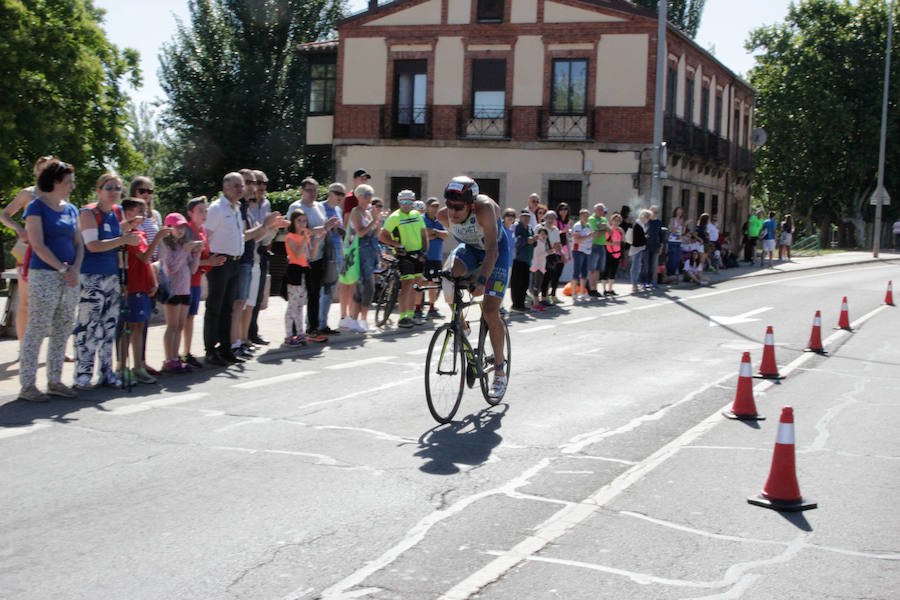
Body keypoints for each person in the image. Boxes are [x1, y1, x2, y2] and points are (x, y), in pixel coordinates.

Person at [436, 175, 510, 398]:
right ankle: (462, 327)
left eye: (458, 207)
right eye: (449, 205)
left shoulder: (485, 209)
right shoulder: (442, 216)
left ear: (471, 205)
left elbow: (492, 251)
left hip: (496, 252)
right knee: (447, 281)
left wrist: (481, 280)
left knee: (489, 311)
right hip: (470, 250)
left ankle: (499, 371)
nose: (452, 212)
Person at [203, 172, 283, 366]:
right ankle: (211, 350)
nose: (241, 189)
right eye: (237, 186)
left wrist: (266, 226)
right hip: (220, 262)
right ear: (225, 188)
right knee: (215, 307)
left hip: (234, 261)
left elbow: (241, 237)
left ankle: (225, 348)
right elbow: (206, 234)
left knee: (228, 308)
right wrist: (207, 258)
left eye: (242, 186)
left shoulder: (237, 209)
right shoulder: (217, 208)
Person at [19, 160, 82, 402]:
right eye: (68, 182)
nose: (72, 186)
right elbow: (37, 244)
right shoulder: (36, 207)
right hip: (45, 274)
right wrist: (61, 268)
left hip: (69, 277)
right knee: (37, 328)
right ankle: (27, 385)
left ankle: (55, 380)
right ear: (55, 182)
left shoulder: (71, 209)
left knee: (63, 327)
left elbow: (79, 243)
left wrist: (74, 268)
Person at [73, 174, 142, 390]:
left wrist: (128, 227)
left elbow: (116, 235)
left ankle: (106, 373)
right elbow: (92, 245)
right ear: (99, 189)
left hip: (111, 275)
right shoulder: (89, 212)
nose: (114, 191)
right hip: (91, 276)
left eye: (118, 188)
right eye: (109, 187)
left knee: (109, 327)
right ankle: (82, 376)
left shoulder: (116, 212)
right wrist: (123, 239)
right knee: (87, 327)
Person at [0, 155, 55, 343]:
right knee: (25, 301)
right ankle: (24, 347)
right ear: (36, 171)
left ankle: (57, 347)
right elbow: (4, 214)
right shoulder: (27, 194)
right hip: (28, 250)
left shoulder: (58, 193)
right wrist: (19, 229)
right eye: (43, 169)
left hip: (53, 251)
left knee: (54, 302)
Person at [117, 197, 169, 385]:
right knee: (128, 329)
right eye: (140, 210)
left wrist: (153, 281)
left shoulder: (139, 233)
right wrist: (158, 238)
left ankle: (138, 366)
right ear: (128, 213)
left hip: (142, 285)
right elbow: (145, 256)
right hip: (132, 286)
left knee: (138, 327)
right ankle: (122, 367)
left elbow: (146, 261)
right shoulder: (129, 235)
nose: (144, 214)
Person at [287, 177, 340, 336]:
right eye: (309, 190)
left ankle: (313, 328)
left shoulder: (319, 207)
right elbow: (300, 229)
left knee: (315, 294)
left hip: (318, 256)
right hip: (300, 258)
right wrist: (324, 227)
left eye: (315, 190)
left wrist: (329, 228)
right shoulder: (296, 207)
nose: (312, 193)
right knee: (298, 298)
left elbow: (323, 230)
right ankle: (294, 331)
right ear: (302, 191)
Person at [183, 197, 226, 368]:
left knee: (190, 317)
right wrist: (208, 263)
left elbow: (203, 258)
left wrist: (211, 261)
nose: (204, 213)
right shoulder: (187, 231)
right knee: (182, 319)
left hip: (195, 281)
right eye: (200, 210)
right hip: (184, 281)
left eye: (206, 210)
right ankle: (179, 355)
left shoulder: (203, 232)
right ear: (190, 213)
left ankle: (186, 352)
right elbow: (182, 260)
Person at [379, 189, 428, 328]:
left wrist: (425, 252)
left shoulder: (417, 215)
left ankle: (411, 315)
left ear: (413, 203)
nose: (406, 204)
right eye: (403, 202)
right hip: (404, 254)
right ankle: (402, 317)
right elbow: (383, 236)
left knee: (415, 286)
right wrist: (397, 245)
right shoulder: (394, 217)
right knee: (407, 286)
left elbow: (424, 235)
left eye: (409, 202)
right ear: (399, 202)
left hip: (418, 254)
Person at [130, 176, 164, 377]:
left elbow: (159, 246)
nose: (147, 195)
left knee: (144, 319)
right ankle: (126, 364)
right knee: (131, 321)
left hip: (153, 269)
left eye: (150, 191)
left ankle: (141, 361)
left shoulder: (155, 215)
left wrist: (157, 269)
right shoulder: (130, 215)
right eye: (142, 191)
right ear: (134, 192)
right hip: (137, 270)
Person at [160, 213, 201, 373]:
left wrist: (196, 252)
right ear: (168, 228)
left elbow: (192, 269)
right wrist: (184, 251)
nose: (180, 230)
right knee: (172, 326)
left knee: (180, 325)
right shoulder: (166, 246)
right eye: (176, 226)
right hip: (172, 290)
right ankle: (168, 358)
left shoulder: (183, 245)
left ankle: (175, 357)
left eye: (182, 226)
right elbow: (170, 268)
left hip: (185, 289)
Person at [341, 183, 383, 332]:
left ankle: (358, 320)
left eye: (370, 195)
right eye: (366, 195)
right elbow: (360, 233)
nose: (369, 198)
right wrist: (374, 220)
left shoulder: (368, 212)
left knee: (365, 287)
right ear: (359, 197)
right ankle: (359, 320)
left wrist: (378, 221)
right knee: (366, 286)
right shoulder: (356, 212)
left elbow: (376, 234)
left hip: (370, 251)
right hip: (360, 252)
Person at [231, 168, 260, 358]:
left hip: (248, 260)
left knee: (243, 303)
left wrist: (268, 228)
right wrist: (265, 226)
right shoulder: (238, 207)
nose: (251, 186)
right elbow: (241, 236)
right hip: (239, 261)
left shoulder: (246, 207)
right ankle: (233, 343)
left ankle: (240, 340)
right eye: (247, 182)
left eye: (252, 183)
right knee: (237, 304)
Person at [283, 209, 322, 346]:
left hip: (305, 271)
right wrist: (305, 239)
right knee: (292, 306)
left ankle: (300, 333)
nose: (302, 223)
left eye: (304, 220)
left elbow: (311, 255)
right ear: (293, 222)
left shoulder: (305, 236)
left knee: (300, 306)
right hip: (295, 271)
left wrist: (316, 242)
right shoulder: (290, 237)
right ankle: (289, 335)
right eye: (299, 220)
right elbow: (298, 254)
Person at [247, 169, 275, 346]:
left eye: (264, 183)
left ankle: (252, 332)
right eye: (258, 183)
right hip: (247, 253)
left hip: (261, 252)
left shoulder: (266, 204)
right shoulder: (247, 204)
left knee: (257, 296)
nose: (262, 186)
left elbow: (268, 228)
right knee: (245, 298)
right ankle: (243, 335)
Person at [318, 182, 345, 335]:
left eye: (342, 194)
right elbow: (319, 227)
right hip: (323, 254)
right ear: (330, 193)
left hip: (336, 254)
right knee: (321, 290)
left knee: (330, 291)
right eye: (337, 193)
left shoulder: (338, 210)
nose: (340, 196)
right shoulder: (320, 208)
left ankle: (323, 323)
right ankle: (315, 323)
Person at [422, 197, 448, 319]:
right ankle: (417, 309)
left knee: (433, 283)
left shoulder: (440, 221)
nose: (435, 208)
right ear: (427, 207)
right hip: (424, 256)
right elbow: (423, 234)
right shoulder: (421, 219)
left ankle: (431, 308)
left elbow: (445, 235)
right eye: (432, 206)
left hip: (436, 258)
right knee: (421, 282)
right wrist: (436, 234)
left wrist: (434, 233)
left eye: (437, 206)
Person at [510, 208, 536, 311]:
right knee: (517, 283)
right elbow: (514, 241)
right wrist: (526, 240)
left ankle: (521, 304)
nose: (526, 218)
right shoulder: (516, 227)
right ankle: (516, 304)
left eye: (528, 217)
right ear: (520, 217)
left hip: (527, 259)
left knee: (525, 283)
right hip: (517, 259)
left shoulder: (530, 228)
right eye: (524, 216)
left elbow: (534, 243)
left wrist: (534, 240)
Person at [540, 210, 563, 305]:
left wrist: (559, 250)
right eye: (548, 218)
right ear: (545, 218)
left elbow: (557, 243)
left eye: (552, 218)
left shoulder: (556, 230)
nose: (550, 220)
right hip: (540, 255)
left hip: (550, 256)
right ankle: (537, 298)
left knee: (548, 276)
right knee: (538, 278)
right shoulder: (540, 227)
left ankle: (545, 298)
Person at [587, 203, 609, 297]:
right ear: (594, 210)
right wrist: (605, 229)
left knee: (598, 269)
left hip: (602, 245)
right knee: (592, 268)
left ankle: (595, 288)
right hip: (594, 245)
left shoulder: (604, 219)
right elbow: (595, 234)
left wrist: (605, 228)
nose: (600, 212)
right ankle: (591, 288)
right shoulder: (591, 219)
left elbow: (610, 231)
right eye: (598, 210)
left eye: (602, 210)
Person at [570, 208, 592, 301]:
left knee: (584, 272)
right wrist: (589, 236)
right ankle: (574, 292)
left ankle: (582, 292)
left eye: (587, 216)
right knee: (576, 272)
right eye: (584, 216)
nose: (586, 218)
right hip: (578, 251)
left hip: (587, 251)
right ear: (580, 216)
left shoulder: (589, 225)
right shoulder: (577, 226)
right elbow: (577, 240)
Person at [604, 212, 625, 295]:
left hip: (617, 252)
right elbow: (605, 242)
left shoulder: (620, 230)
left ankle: (610, 289)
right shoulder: (609, 230)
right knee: (606, 270)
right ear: (612, 221)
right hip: (609, 252)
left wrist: (623, 233)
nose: (616, 222)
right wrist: (613, 244)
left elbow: (622, 241)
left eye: (618, 221)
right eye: (615, 220)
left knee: (613, 271)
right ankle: (604, 289)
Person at [629, 209, 650, 293]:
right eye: (647, 218)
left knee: (638, 266)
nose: (648, 220)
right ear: (644, 217)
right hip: (636, 248)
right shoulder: (638, 225)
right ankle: (634, 284)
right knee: (636, 266)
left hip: (638, 248)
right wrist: (645, 238)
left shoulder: (639, 225)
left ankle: (635, 283)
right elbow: (637, 239)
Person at [529, 226, 549, 312]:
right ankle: (535, 304)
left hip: (540, 267)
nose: (544, 236)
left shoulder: (542, 243)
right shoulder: (538, 243)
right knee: (536, 286)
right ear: (538, 235)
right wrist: (547, 253)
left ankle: (535, 302)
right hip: (537, 267)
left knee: (538, 285)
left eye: (545, 234)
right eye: (542, 234)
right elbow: (537, 256)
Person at [643, 205, 662, 287]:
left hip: (655, 246)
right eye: (653, 212)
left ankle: (651, 281)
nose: (654, 214)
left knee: (653, 265)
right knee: (645, 265)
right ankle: (644, 281)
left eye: (656, 212)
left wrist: (661, 245)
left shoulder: (658, 222)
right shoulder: (646, 221)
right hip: (646, 246)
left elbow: (661, 234)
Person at [667, 205, 686, 276]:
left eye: (681, 211)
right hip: (672, 240)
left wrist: (684, 226)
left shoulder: (682, 220)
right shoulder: (672, 219)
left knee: (677, 259)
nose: (680, 212)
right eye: (679, 211)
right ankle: (670, 273)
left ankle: (674, 273)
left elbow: (683, 232)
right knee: (672, 258)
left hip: (679, 241)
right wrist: (679, 224)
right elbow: (673, 230)